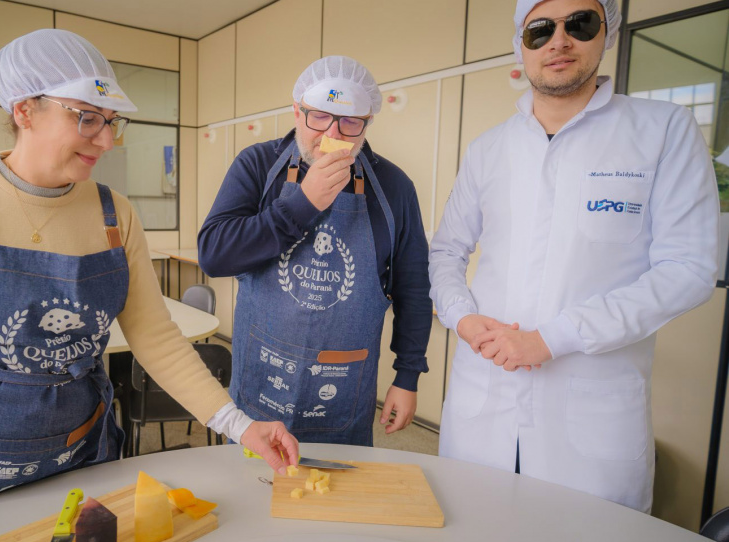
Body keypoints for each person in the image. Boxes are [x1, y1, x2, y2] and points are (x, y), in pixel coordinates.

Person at [0, 29, 298, 542]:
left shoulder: (114, 213)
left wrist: (239, 424)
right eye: (87, 117)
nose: (106, 140)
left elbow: (156, 339)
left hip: (82, 452)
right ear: (24, 110)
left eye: (111, 120)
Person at [429, 0, 719, 513]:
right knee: (472, 530)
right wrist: (464, 318)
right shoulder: (488, 148)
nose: (559, 41)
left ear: (607, 32)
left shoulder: (661, 131)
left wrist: (552, 338)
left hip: (590, 422)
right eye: (540, 30)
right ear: (522, 45)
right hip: (484, 398)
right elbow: (446, 251)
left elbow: (688, 269)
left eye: (579, 23)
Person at [198, 56, 432, 446]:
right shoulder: (258, 166)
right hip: (259, 391)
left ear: (368, 123)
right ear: (296, 111)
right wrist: (302, 203)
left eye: (349, 122)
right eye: (319, 117)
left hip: (342, 396)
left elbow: (413, 288)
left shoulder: (393, 188)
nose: (332, 134)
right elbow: (214, 254)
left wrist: (407, 376)